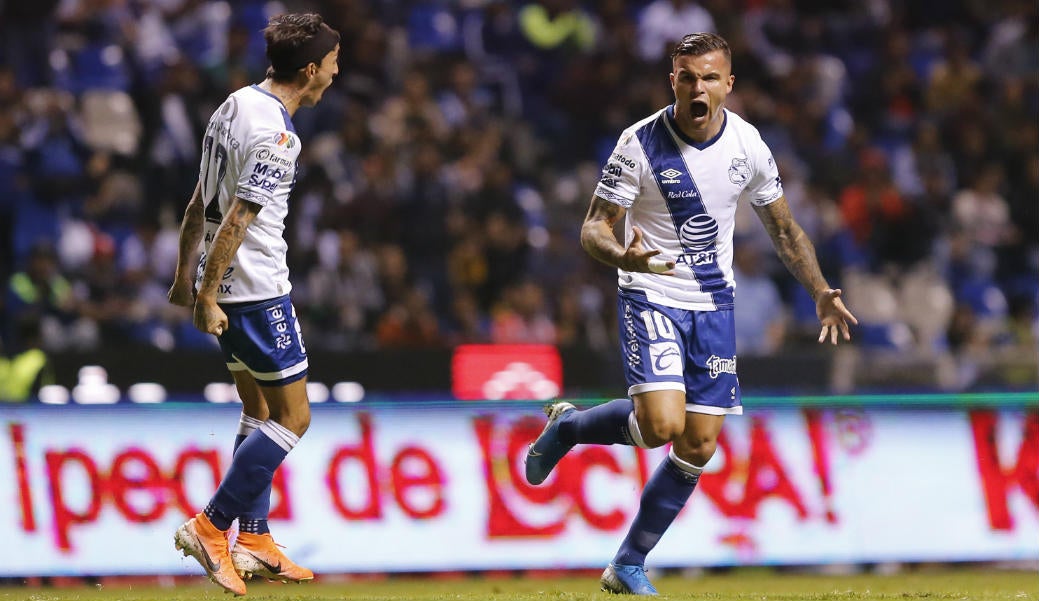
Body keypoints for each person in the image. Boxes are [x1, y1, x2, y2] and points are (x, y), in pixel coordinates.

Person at [524, 32, 857, 596]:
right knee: (660, 427)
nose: (697, 87)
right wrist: (621, 253)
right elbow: (593, 227)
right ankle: (571, 426)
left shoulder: (749, 145)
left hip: (713, 303)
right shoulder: (638, 143)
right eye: (687, 76)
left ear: (728, 84)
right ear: (672, 81)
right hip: (651, 291)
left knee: (698, 444)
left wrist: (821, 290)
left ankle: (627, 564)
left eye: (709, 77)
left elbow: (783, 228)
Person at [167, 13, 339, 596]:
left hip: (225, 288)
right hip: (257, 292)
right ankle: (212, 526)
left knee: (258, 411)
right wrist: (206, 294)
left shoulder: (234, 105)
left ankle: (256, 536)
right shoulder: (278, 136)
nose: (336, 76)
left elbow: (199, 201)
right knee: (294, 418)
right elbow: (238, 218)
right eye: (334, 65)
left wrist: (184, 276)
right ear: (311, 69)